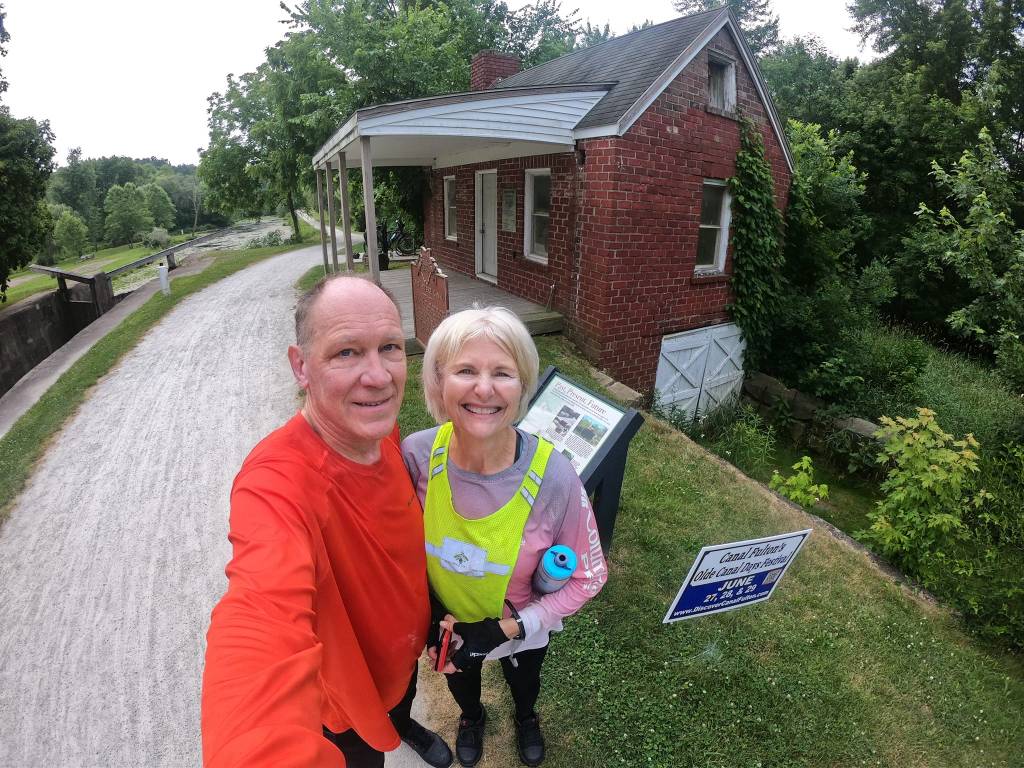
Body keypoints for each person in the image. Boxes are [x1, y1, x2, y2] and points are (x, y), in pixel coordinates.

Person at [201, 275, 452, 768]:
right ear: (301, 366)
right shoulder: (276, 485)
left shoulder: (376, 427)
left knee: (399, 703)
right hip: (348, 704)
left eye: (389, 347)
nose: (378, 377)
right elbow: (260, 615)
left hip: (402, 654)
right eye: (346, 353)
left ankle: (403, 724)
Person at [401, 306, 607, 768]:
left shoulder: (554, 477)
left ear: (522, 385)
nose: (484, 388)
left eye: (502, 373)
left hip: (520, 628)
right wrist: (429, 613)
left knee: (525, 680)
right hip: (448, 623)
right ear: (438, 381)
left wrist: (506, 630)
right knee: (460, 682)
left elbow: (589, 576)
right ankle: (472, 717)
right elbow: (392, 545)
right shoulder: (416, 455)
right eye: (466, 371)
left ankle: (526, 716)